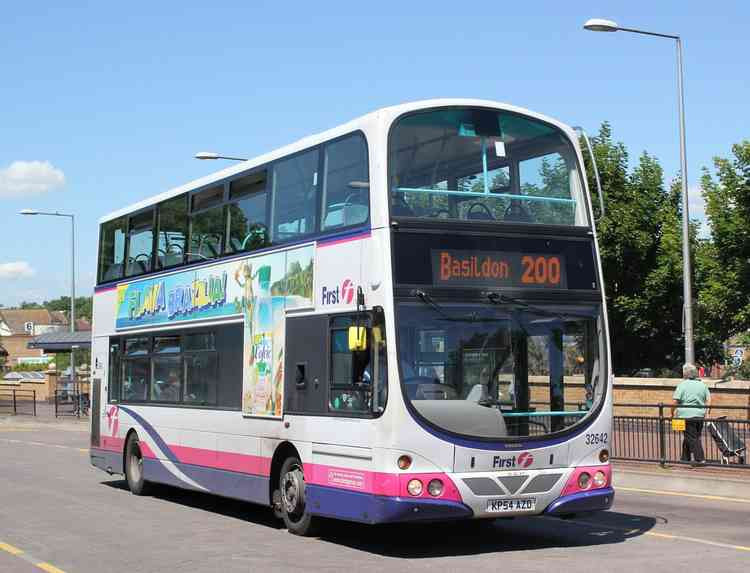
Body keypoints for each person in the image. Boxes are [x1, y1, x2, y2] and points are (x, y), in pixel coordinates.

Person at [671, 364, 711, 466]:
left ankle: (700, 459)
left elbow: (675, 401)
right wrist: (707, 413)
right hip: (700, 415)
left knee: (692, 437)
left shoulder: (682, 385)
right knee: (692, 436)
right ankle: (685, 458)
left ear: (685, 374)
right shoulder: (702, 385)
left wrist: (671, 413)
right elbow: (709, 400)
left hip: (686, 415)